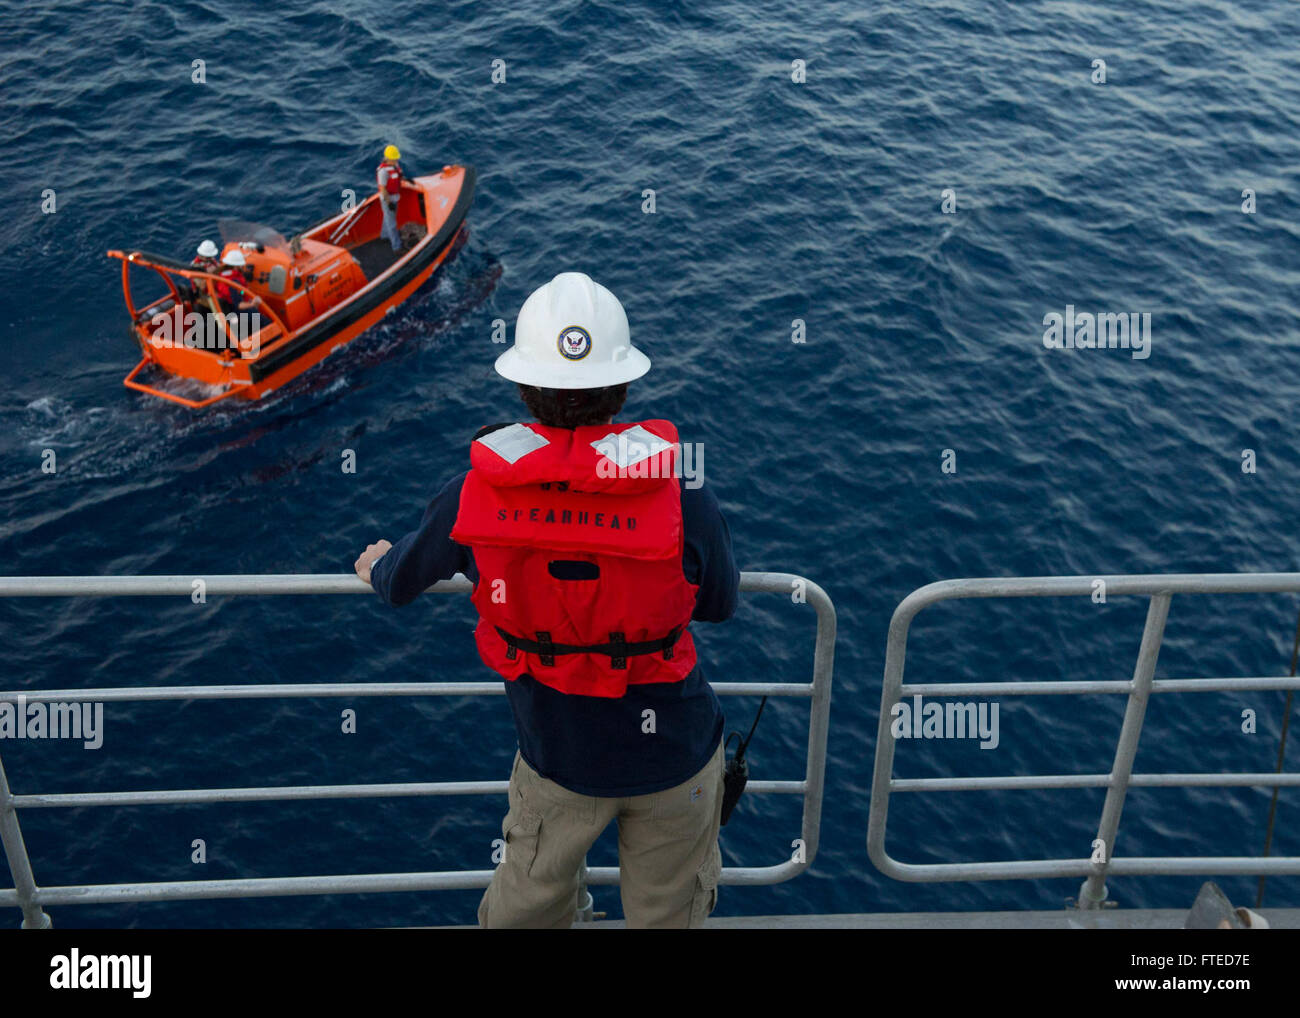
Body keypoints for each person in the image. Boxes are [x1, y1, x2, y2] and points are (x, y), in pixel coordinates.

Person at [353, 272, 739, 928]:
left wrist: (377, 565)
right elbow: (719, 603)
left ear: (523, 388)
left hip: (558, 757)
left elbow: (399, 583)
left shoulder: (471, 494)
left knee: (525, 912)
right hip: (676, 756)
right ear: (621, 387)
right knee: (669, 917)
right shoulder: (682, 497)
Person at [377, 144, 404, 252]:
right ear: (388, 159)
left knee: (387, 219)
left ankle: (384, 236)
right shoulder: (383, 172)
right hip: (388, 199)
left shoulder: (394, 166)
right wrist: (388, 203)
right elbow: (383, 189)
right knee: (392, 223)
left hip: (395, 197)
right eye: (394, 158)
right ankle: (396, 247)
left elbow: (398, 176)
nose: (396, 160)